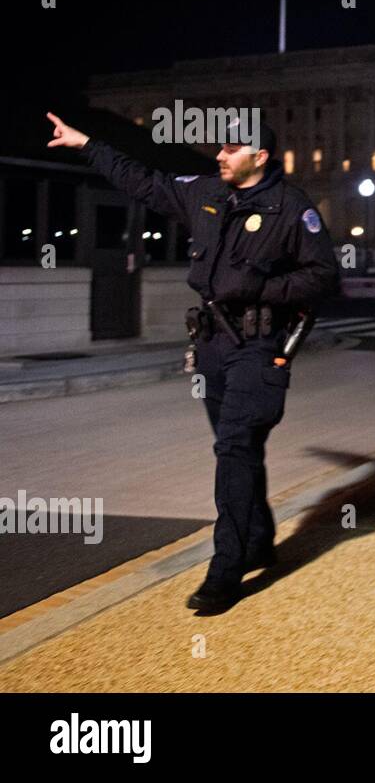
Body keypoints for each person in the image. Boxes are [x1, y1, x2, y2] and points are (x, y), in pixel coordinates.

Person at [45, 111, 340, 613]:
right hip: (211, 344)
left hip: (258, 344)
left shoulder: (291, 208)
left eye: (230, 150)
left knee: (233, 447)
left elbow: (324, 277)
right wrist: (87, 144)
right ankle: (258, 538)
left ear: (260, 157)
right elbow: (142, 182)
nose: (220, 156)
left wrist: (264, 288)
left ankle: (226, 570)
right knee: (237, 450)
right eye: (220, 149)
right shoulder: (204, 192)